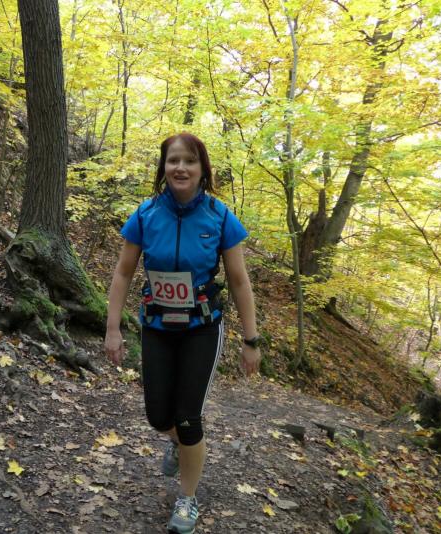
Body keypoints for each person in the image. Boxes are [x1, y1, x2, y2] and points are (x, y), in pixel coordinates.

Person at [103, 133, 261, 534]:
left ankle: (187, 499)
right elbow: (123, 273)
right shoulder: (145, 214)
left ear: (202, 168)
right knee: (159, 416)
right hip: (157, 326)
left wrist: (251, 340)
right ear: (164, 167)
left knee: (188, 418)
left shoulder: (219, 216)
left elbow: (240, 281)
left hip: (201, 329)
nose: (180, 168)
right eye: (173, 160)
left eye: (189, 161)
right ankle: (179, 443)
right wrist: (113, 328)